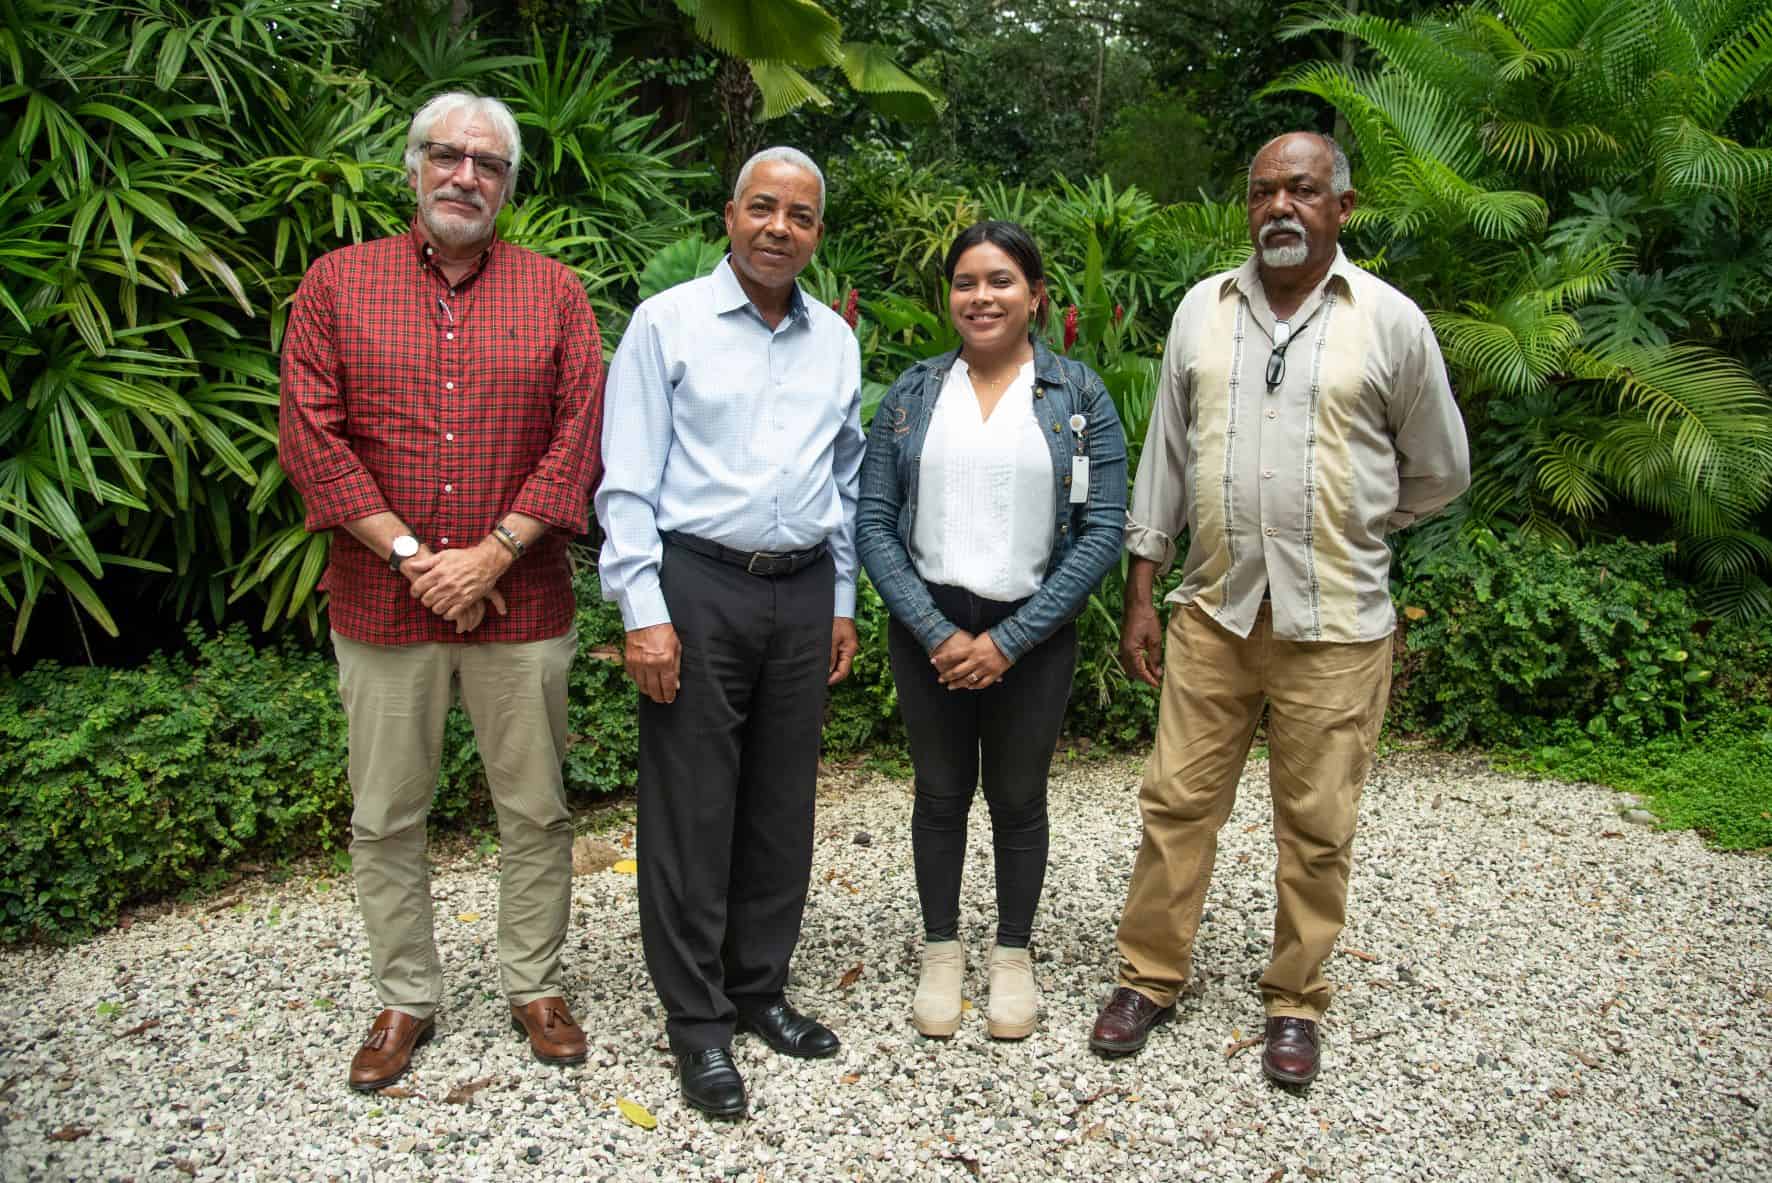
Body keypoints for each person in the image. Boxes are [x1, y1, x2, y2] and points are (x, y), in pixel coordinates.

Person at [1088, 132, 1470, 1085]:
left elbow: (1441, 468)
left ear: (1342, 205)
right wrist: (1143, 586)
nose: (1280, 208)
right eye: (1263, 191)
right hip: (1213, 612)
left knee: (1318, 822)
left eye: (1302, 190)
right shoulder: (1201, 312)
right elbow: (1164, 460)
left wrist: (1365, 523)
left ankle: (1295, 1000)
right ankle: (1151, 975)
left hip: (1337, 624)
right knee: (1176, 802)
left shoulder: (1388, 321)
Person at [279, 92, 606, 1091]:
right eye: (449, 156)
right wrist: (419, 557)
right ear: (413, 167)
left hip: (524, 602)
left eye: (489, 164)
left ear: (508, 186)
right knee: (385, 813)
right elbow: (311, 437)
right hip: (383, 603)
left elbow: (579, 438)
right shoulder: (335, 284)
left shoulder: (556, 293)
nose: (467, 176)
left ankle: (534, 983)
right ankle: (405, 996)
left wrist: (491, 557)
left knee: (536, 809)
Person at [594, 147, 864, 1119]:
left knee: (779, 806)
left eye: (798, 215)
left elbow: (845, 480)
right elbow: (625, 481)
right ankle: (698, 1026)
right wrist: (643, 613)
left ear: (815, 235)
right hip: (696, 585)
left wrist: (839, 599)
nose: (778, 228)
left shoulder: (834, 339)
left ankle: (758, 990)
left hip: (798, 594)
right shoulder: (664, 326)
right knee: (692, 812)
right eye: (762, 208)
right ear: (728, 215)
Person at [857, 221, 1127, 1041]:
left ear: (1037, 295)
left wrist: (1011, 639)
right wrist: (938, 630)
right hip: (929, 625)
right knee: (939, 795)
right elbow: (873, 522)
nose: (983, 297)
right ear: (951, 297)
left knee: (1017, 799)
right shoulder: (911, 392)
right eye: (967, 282)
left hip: (1032, 633)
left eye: (1002, 280)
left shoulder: (1078, 397)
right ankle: (942, 950)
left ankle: (1012, 954)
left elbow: (1103, 528)